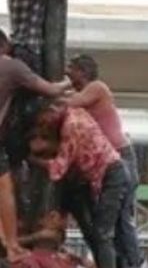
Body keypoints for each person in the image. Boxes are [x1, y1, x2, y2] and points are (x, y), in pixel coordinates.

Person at [27, 102, 128, 268]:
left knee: (103, 233)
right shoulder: (76, 112)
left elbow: (59, 167)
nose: (45, 127)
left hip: (110, 174)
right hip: (99, 176)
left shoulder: (71, 126)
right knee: (96, 232)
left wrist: (34, 159)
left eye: (44, 123)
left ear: (53, 112)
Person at [63, 54, 139, 268]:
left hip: (119, 158)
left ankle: (132, 264)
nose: (68, 73)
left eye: (72, 69)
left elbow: (70, 103)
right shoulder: (87, 92)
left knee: (121, 220)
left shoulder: (97, 88)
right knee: (108, 223)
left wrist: (51, 89)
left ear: (83, 72)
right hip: (106, 163)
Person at [0, 31, 70, 259]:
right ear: (5, 46)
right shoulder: (12, 67)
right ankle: (11, 245)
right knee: (4, 188)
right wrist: (70, 80)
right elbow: (51, 90)